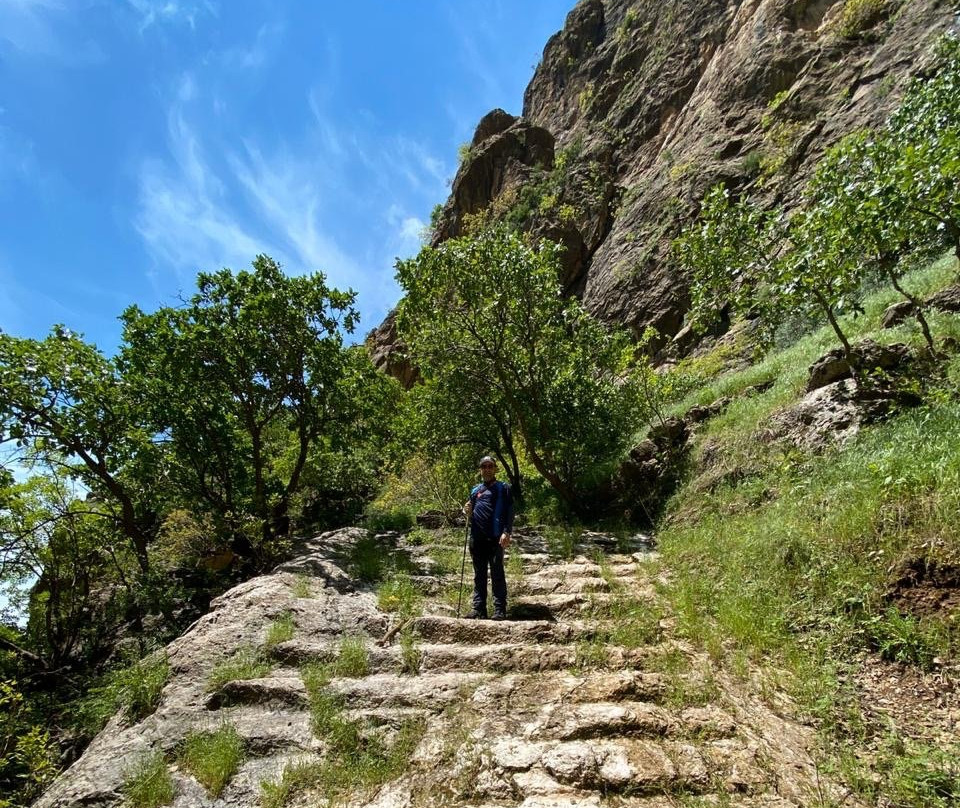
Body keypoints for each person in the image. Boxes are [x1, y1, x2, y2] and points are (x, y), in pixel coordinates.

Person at [462, 455, 514, 620]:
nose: (487, 469)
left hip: (495, 538)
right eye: (484, 466)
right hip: (477, 539)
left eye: (490, 466)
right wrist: (466, 511)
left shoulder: (503, 488)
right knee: (479, 575)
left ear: (495, 469)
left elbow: (509, 512)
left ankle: (499, 610)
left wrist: (507, 532)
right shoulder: (475, 490)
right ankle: (479, 610)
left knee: (497, 573)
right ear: (480, 470)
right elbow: (469, 511)